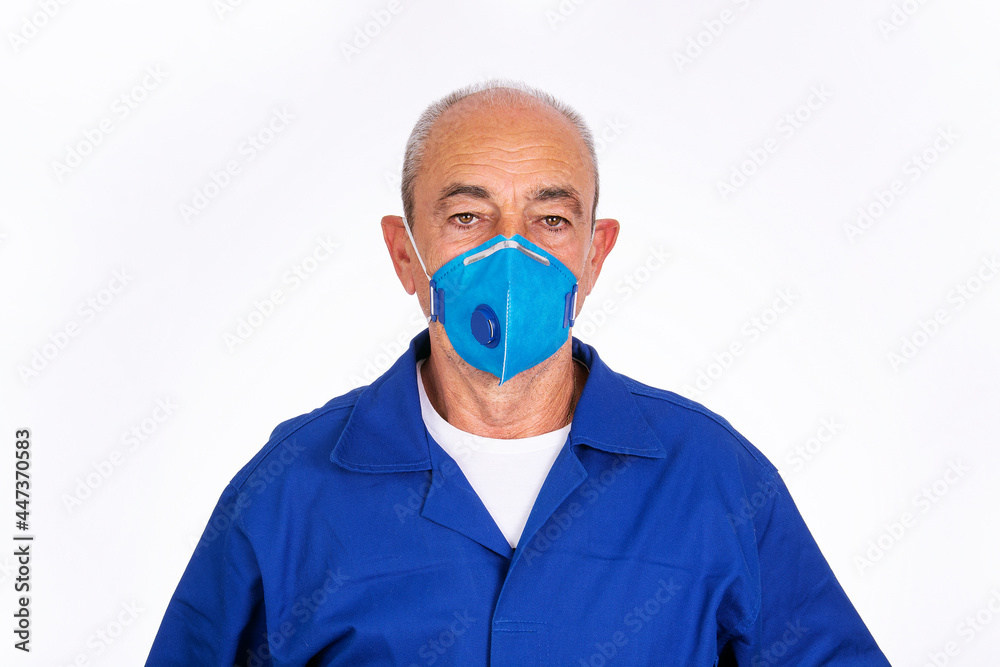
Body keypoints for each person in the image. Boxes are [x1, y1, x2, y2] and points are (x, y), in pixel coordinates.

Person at [145, 80, 891, 666]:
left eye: (550, 220)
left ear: (595, 255)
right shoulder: (289, 491)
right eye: (468, 217)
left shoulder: (713, 479)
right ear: (406, 254)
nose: (510, 255)